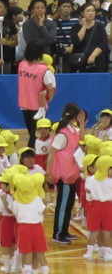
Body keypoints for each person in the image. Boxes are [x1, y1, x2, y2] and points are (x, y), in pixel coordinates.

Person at [47, 103, 85, 245]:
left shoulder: (72, 130)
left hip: (71, 172)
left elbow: (82, 137)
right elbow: (52, 153)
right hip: (63, 173)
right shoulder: (62, 133)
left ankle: (64, 231)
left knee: (69, 204)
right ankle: (57, 234)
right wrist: (48, 172)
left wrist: (81, 123)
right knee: (62, 205)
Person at [17, 41, 56, 148]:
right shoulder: (44, 69)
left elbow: (27, 61)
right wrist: (49, 98)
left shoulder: (21, 65)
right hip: (38, 106)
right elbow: (50, 87)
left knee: (32, 133)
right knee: (37, 135)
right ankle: (34, 154)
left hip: (24, 103)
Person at [71, 3, 107, 73]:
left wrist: (93, 56)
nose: (91, 13)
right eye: (88, 11)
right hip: (80, 61)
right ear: (82, 13)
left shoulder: (100, 26)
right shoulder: (75, 27)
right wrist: (84, 26)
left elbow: (103, 43)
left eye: (92, 11)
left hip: (97, 61)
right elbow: (77, 41)